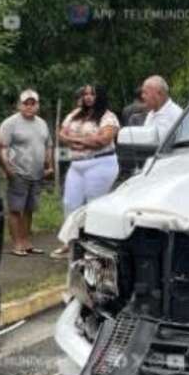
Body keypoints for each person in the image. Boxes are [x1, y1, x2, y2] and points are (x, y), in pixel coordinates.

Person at [55, 84, 119, 256]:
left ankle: (95, 244)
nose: (88, 97)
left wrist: (74, 140)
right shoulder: (75, 114)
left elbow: (103, 140)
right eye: (86, 94)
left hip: (100, 164)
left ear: (100, 96)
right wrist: (83, 140)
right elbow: (61, 134)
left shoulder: (108, 117)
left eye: (93, 94)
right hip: (77, 164)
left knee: (94, 204)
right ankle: (71, 243)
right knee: (70, 203)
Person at [0, 89, 53, 257]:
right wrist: (7, 168)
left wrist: (49, 165)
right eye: (25, 103)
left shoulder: (41, 123)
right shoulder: (10, 123)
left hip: (37, 173)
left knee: (29, 209)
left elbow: (48, 144)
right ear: (19, 105)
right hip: (18, 172)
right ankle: (16, 244)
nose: (29, 106)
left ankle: (26, 242)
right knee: (16, 209)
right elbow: (2, 147)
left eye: (32, 103)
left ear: (37, 105)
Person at [139, 74, 183, 142]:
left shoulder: (176, 115)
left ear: (159, 94)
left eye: (145, 93)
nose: (142, 96)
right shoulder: (151, 114)